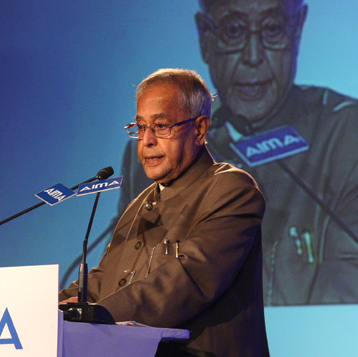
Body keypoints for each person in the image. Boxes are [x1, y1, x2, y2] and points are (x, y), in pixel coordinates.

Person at [118, 0, 358, 306]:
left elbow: (345, 295)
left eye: (272, 29)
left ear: (297, 29)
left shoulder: (347, 133)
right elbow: (124, 278)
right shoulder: (162, 147)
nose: (253, 56)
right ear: (206, 38)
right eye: (234, 30)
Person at [60, 69, 270, 356]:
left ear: (199, 129)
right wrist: (47, 308)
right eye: (140, 127)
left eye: (160, 126)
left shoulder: (231, 189)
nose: (146, 140)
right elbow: (103, 281)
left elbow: (189, 278)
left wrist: (97, 314)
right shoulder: (140, 203)